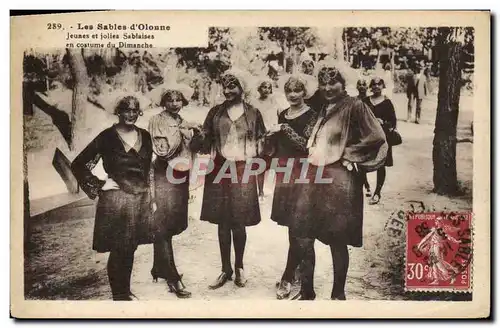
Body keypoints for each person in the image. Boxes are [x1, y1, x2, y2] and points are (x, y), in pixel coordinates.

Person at [293, 65, 387, 300]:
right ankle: (307, 292)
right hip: (315, 174)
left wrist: (350, 155)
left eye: (332, 82)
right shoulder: (324, 106)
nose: (326, 87)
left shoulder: (356, 106)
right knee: (303, 233)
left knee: (337, 237)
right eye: (322, 82)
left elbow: (377, 137)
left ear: (344, 83)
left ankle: (338, 294)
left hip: (339, 178)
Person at [71, 96, 153, 301]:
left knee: (130, 246)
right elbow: (78, 164)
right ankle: (119, 295)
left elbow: (149, 170)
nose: (131, 114)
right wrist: (100, 184)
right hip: (116, 200)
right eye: (126, 110)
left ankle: (124, 290)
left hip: (139, 199)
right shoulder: (106, 137)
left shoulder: (145, 135)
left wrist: (152, 196)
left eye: (135, 110)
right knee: (119, 247)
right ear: (118, 111)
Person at [191, 71, 267, 289]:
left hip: (243, 169)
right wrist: (199, 135)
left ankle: (239, 266)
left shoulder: (253, 113)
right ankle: (226, 268)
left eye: (232, 86)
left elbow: (261, 142)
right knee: (222, 220)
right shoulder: (215, 112)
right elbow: (205, 141)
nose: (227, 91)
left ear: (242, 88)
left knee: (239, 220)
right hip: (219, 168)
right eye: (224, 86)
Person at [268, 75, 318, 300]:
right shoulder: (282, 114)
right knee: (291, 225)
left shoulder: (312, 115)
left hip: (303, 173)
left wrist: (283, 129)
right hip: (284, 172)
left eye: (298, 90)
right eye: (289, 90)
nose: (293, 95)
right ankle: (294, 270)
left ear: (305, 92)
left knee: (300, 227)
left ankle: (288, 275)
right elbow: (279, 146)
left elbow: (305, 145)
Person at [148, 84, 199, 298]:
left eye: (178, 99)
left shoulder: (183, 121)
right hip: (164, 173)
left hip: (181, 175)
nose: (175, 103)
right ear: (163, 101)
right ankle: (172, 276)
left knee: (174, 223)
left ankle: (159, 267)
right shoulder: (157, 121)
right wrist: (182, 134)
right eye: (170, 99)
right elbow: (163, 150)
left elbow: (195, 151)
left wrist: (196, 134)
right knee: (164, 224)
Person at [364, 77, 397, 205]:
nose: (376, 86)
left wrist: (384, 122)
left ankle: (377, 192)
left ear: (383, 86)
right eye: (374, 84)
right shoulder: (365, 101)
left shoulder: (387, 103)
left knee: (381, 165)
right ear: (371, 87)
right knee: (362, 163)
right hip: (367, 137)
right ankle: (366, 186)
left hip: (383, 138)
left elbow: (393, 122)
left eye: (379, 84)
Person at [355, 78, 372, 198]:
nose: (361, 86)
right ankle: (365, 184)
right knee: (359, 161)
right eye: (359, 84)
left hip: (368, 134)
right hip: (357, 134)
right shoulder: (354, 100)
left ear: (367, 87)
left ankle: (366, 184)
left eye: (364, 84)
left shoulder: (370, 101)